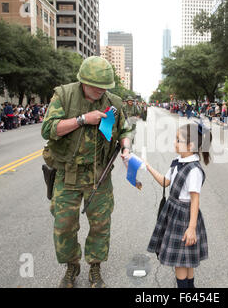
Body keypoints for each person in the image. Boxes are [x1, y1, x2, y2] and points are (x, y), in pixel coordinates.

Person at [41, 56, 134, 288]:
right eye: (95, 86)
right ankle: (72, 266)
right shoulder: (64, 95)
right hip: (67, 174)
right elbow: (48, 129)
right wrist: (83, 119)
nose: (100, 91)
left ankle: (95, 267)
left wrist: (126, 147)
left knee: (101, 225)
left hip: (98, 176)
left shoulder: (114, 102)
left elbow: (125, 129)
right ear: (83, 81)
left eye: (104, 87)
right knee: (64, 226)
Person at [145, 123, 211, 288]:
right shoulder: (177, 162)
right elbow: (165, 182)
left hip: (184, 217)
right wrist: (147, 167)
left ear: (191, 145)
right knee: (184, 260)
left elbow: (195, 200)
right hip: (173, 213)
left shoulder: (193, 170)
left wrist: (192, 228)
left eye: (178, 140)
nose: (174, 143)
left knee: (181, 262)